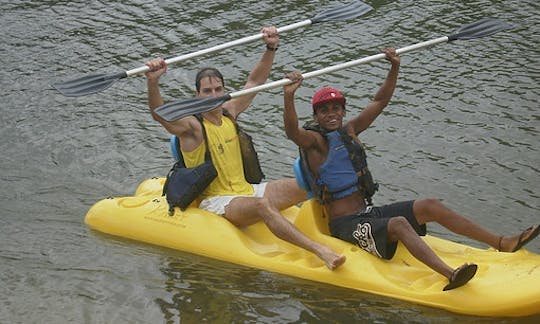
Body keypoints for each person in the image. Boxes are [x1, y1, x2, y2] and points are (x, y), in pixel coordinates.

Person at [282, 48, 540, 290]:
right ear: (316, 116)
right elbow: (292, 131)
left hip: (368, 212)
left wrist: (394, 67)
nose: (331, 114)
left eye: (336, 108)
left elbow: (380, 100)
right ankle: (450, 274)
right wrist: (289, 95)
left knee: (430, 204)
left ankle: (501, 242)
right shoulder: (315, 142)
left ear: (343, 110)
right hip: (345, 225)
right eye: (324, 110)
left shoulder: (350, 131)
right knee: (399, 224)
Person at [144, 26, 346, 270]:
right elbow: (160, 116)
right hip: (218, 202)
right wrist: (153, 82)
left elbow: (255, 81)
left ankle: (345, 232)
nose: (214, 95)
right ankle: (320, 250)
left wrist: (271, 47)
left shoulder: (230, 113)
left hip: (247, 189)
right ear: (197, 96)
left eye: (218, 89)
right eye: (207, 91)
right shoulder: (192, 127)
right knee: (262, 206)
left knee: (312, 183)